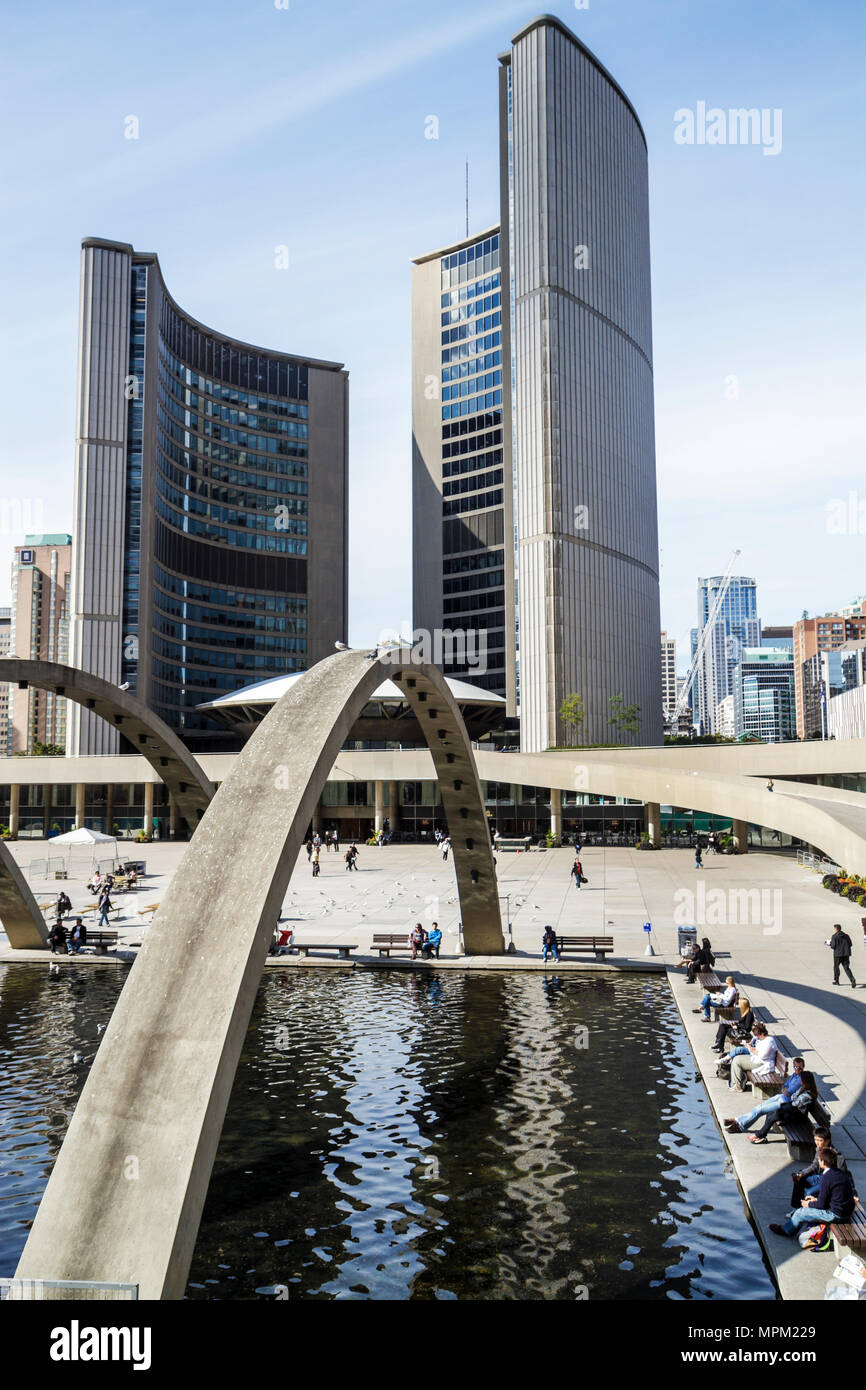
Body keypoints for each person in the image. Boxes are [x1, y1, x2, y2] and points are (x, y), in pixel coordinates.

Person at [769, 1146, 855, 1239]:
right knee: (807, 1208)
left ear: (823, 1162)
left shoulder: (827, 1177)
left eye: (819, 1160)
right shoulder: (841, 1173)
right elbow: (833, 1197)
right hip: (846, 1211)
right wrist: (815, 1200)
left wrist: (809, 1204)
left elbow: (822, 1205)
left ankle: (786, 1230)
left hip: (836, 1215)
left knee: (800, 1212)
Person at [724, 1057, 805, 1136]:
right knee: (758, 1107)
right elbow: (785, 1086)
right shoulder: (794, 1075)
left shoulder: (802, 1079)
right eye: (795, 1067)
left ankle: (740, 1126)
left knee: (760, 1110)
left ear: (803, 1067)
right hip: (781, 1097)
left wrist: (786, 1090)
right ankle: (737, 1120)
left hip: (785, 1103)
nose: (797, 1069)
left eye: (799, 1068)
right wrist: (785, 1090)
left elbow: (789, 1091)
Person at [791, 1129, 859, 1207]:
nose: (817, 1143)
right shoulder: (819, 1149)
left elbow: (846, 1176)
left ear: (827, 1141)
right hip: (820, 1177)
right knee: (798, 1180)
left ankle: (810, 1209)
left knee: (810, 1193)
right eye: (815, 1139)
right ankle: (797, 1207)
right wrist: (801, 1174)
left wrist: (853, 1193)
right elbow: (814, 1166)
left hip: (829, 1182)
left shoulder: (837, 1156)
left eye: (820, 1140)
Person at [730, 1022, 778, 1092]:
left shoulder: (769, 1042)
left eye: (757, 1036)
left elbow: (763, 1056)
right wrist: (750, 1047)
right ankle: (736, 1083)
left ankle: (738, 1086)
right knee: (736, 1058)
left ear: (761, 1033)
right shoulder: (764, 1039)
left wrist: (752, 1049)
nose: (757, 1037)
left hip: (762, 1063)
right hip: (757, 1059)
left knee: (737, 1061)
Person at [828, 922, 856, 987]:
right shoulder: (846, 936)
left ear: (836, 929)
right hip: (846, 954)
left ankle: (837, 981)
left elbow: (833, 946)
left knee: (836, 967)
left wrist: (830, 943)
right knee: (846, 968)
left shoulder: (834, 936)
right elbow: (850, 944)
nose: (834, 930)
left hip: (837, 955)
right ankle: (852, 979)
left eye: (834, 929)